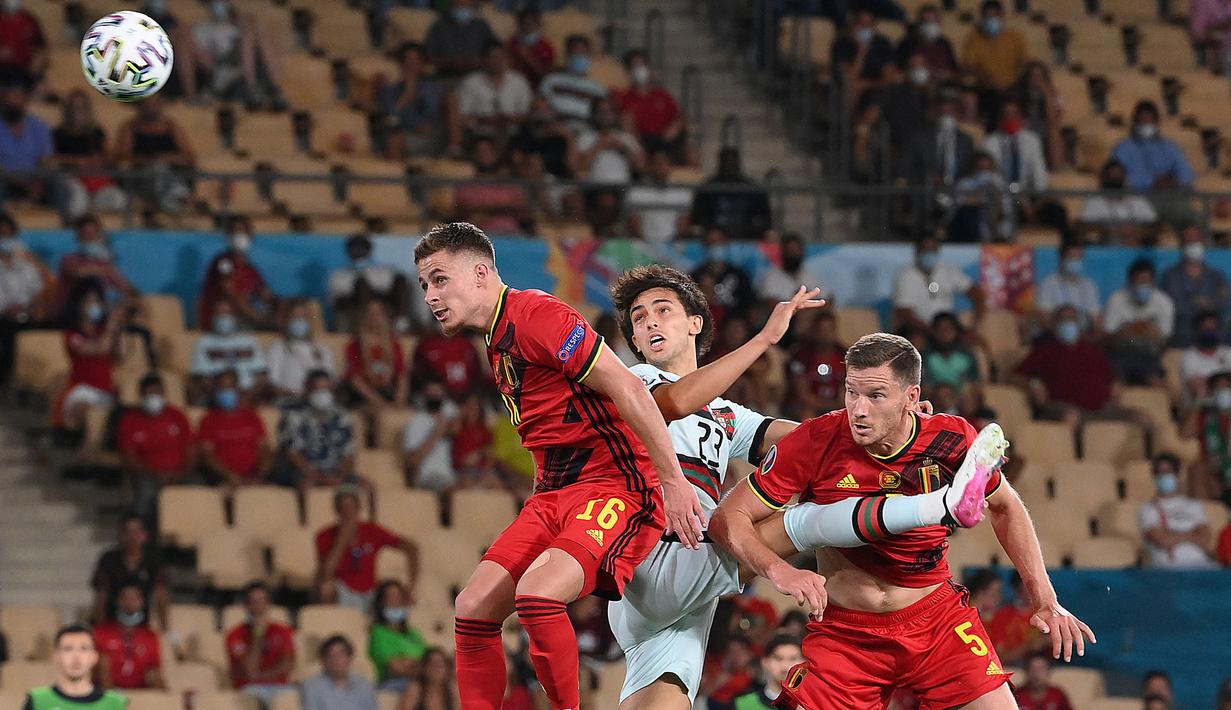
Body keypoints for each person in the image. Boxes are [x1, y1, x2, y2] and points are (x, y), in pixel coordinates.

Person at [606, 266, 1004, 709]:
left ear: (695, 324)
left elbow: (816, 440)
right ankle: (939, 507)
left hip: (681, 589)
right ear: (635, 343)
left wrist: (903, 423)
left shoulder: (724, 414)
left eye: (663, 310)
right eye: (639, 319)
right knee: (802, 521)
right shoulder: (631, 384)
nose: (650, 322)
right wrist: (764, 340)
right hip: (654, 560)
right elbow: (678, 401)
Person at [710, 332, 1096, 710]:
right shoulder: (816, 440)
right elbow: (728, 517)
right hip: (848, 634)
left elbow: (1006, 507)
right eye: (851, 392)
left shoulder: (950, 439)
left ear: (911, 398)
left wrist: (1045, 599)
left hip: (937, 621)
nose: (859, 410)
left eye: (876, 396)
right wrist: (780, 571)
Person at [413, 222, 706, 709]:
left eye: (440, 279)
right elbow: (549, 433)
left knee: (538, 597)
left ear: (482, 273)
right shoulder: (496, 337)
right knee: (472, 608)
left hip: (618, 483)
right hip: (554, 495)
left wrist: (673, 481)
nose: (430, 295)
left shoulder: (538, 315)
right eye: (425, 285)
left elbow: (629, 389)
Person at [316, 486, 418, 611]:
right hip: (344, 590)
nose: (348, 513)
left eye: (351, 508)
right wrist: (342, 539)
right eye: (343, 509)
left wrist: (411, 586)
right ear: (337, 511)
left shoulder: (372, 530)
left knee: (395, 594)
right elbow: (327, 572)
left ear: (358, 509)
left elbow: (412, 549)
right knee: (327, 588)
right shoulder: (324, 535)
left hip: (371, 590)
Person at [1014, 305, 1116, 425]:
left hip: (1101, 409)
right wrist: (1033, 384)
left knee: (1140, 418)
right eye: (1064, 319)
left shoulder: (1092, 351)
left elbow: (1112, 377)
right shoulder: (1045, 351)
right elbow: (1015, 376)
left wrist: (1116, 384)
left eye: (1072, 320)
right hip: (1062, 408)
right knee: (1071, 417)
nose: (1069, 324)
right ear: (1055, 324)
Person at [117, 373, 195, 520]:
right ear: (141, 395)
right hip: (148, 475)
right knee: (146, 493)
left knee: (199, 490)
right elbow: (130, 457)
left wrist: (182, 472)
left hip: (181, 473)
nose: (153, 397)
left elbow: (191, 450)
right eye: (149, 394)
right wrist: (156, 474)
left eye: (157, 393)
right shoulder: (130, 421)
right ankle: (143, 533)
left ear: (164, 393)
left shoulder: (177, 416)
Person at [186, 0, 286, 109]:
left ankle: (274, 89)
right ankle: (253, 89)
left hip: (248, 59)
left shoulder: (240, 19)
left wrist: (241, 20)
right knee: (248, 36)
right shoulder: (204, 27)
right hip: (227, 64)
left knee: (259, 35)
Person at [275, 370, 360, 491]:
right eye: (317, 389)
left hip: (334, 471)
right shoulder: (294, 416)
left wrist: (340, 477)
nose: (322, 394)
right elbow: (292, 454)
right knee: (305, 486)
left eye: (326, 389)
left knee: (367, 486)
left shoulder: (342, 417)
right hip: (303, 473)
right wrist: (318, 477)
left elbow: (349, 454)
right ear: (308, 389)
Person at [112, 94, 195, 215]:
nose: (150, 108)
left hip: (169, 174)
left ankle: (173, 199)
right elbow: (123, 158)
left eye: (154, 104)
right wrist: (148, 161)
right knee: (158, 170)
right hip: (142, 178)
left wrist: (167, 158)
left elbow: (189, 158)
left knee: (161, 170)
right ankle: (177, 198)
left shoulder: (172, 128)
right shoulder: (130, 128)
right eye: (147, 104)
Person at [59, 286, 127, 431]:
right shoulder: (73, 335)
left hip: (106, 392)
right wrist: (110, 326)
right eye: (89, 302)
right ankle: (87, 450)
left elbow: (121, 356)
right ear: (79, 306)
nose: (94, 305)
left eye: (97, 301)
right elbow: (99, 349)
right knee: (94, 414)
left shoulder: (103, 332)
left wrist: (118, 330)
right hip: (82, 391)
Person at [53, 89, 127, 220]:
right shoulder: (58, 134)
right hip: (73, 180)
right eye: (74, 108)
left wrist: (100, 161)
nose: (78, 112)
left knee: (119, 199)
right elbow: (51, 159)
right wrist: (76, 161)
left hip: (97, 181)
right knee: (76, 197)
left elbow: (107, 156)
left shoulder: (96, 133)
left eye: (82, 108)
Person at [196, 369, 272, 493]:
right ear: (216, 391)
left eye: (230, 387)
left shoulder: (251, 416)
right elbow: (207, 455)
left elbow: (264, 449)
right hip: (223, 478)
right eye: (222, 388)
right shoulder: (208, 420)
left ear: (237, 389)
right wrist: (230, 476)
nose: (227, 392)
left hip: (254, 476)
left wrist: (258, 476)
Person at [198, 215, 278, 332]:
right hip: (220, 321)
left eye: (244, 232)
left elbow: (265, 293)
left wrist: (277, 309)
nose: (240, 236)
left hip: (243, 320)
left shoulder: (250, 270)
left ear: (251, 237)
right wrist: (255, 315)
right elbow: (231, 291)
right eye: (236, 232)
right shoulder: (223, 262)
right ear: (228, 237)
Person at [91, 513, 168, 631]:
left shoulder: (153, 561)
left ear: (144, 535)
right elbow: (101, 595)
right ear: (121, 535)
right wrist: (98, 626)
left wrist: (165, 626)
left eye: (137, 532)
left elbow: (160, 594)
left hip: (142, 626)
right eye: (128, 532)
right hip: (111, 625)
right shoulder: (108, 560)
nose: (132, 537)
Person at [1139, 453, 1218, 569]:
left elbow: (1204, 539)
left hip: (1202, 565)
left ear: (1176, 474)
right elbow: (1163, 541)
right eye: (1160, 473)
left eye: (1168, 472)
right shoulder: (1148, 509)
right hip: (1170, 568)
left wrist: (1172, 534)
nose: (1164, 476)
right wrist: (1191, 534)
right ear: (1154, 476)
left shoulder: (1194, 505)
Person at [378, 42, 455, 159]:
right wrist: (407, 94)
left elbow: (445, 114)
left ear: (422, 64)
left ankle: (455, 149)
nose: (411, 65)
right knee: (393, 141)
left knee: (451, 100)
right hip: (410, 136)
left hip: (436, 134)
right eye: (407, 61)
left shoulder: (435, 88)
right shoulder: (389, 92)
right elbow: (390, 120)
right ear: (400, 64)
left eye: (415, 61)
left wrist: (433, 127)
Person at [0, 213, 52, 386]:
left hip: (24, 314)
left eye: (7, 235)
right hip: (4, 317)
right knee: (8, 335)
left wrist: (36, 308)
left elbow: (37, 291)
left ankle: (33, 382)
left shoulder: (26, 266)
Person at [22, 625, 127, 710]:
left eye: (84, 649)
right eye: (68, 649)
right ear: (55, 657)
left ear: (94, 657)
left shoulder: (115, 704)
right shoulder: (37, 700)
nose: (76, 657)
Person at [1104, 259, 1174, 385]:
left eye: (1146, 281)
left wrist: (1151, 333)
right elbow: (1108, 337)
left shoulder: (1164, 302)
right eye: (1139, 281)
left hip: (1149, 355)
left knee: (1157, 381)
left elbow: (1165, 341)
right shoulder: (1117, 299)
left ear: (1153, 282)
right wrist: (1127, 332)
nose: (1143, 285)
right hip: (1121, 354)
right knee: (1113, 382)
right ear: (1130, 282)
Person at [226, 581, 296, 707]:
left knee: (294, 696)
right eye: (254, 602)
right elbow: (249, 668)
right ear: (246, 606)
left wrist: (260, 676)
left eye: (262, 601)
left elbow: (287, 665)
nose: (259, 607)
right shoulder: (235, 635)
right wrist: (258, 633)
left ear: (269, 604)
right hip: (249, 688)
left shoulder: (282, 630)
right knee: (255, 698)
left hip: (279, 687)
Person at [892, 235, 984, 330]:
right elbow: (903, 312)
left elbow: (976, 294)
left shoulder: (948, 270)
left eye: (933, 249)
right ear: (917, 251)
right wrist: (931, 332)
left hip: (946, 329)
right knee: (917, 340)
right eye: (926, 249)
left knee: (975, 341)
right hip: (919, 330)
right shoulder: (905, 276)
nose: (929, 253)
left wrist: (974, 327)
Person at [55, 215, 138, 318]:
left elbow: (122, 284)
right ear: (78, 236)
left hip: (103, 312)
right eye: (86, 234)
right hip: (75, 314)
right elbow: (78, 272)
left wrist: (134, 294)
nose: (90, 238)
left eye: (93, 234)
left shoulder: (105, 264)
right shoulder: (70, 260)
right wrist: (102, 270)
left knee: (131, 304)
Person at [1161, 226, 1231, 348]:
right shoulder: (1171, 276)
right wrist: (1204, 305)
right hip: (1184, 334)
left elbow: (1225, 303)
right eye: (1189, 241)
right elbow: (1174, 305)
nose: (1194, 245)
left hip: (1215, 332)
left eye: (1196, 240)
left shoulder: (1217, 276)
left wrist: (1202, 303)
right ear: (1182, 244)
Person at [328, 233, 412, 334]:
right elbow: (336, 298)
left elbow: (388, 288)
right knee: (361, 283)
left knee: (400, 280)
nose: (358, 251)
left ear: (369, 250)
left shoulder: (381, 271)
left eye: (362, 247)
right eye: (354, 248)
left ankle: (401, 321)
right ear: (348, 251)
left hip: (381, 305)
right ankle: (364, 324)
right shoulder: (339, 274)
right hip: (353, 309)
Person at [614, 49, 687, 161]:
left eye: (643, 65)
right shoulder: (623, 96)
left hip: (664, 140)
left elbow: (680, 115)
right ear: (628, 71)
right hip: (641, 142)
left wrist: (675, 126)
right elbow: (623, 122)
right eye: (635, 66)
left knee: (692, 153)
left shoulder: (662, 95)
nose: (640, 69)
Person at [190, 300, 269, 402]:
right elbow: (202, 378)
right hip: (216, 394)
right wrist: (220, 395)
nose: (224, 318)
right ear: (213, 317)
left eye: (227, 314)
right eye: (220, 314)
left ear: (235, 317)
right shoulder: (204, 342)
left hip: (248, 393)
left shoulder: (250, 341)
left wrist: (247, 396)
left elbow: (261, 377)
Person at [0, 81, 59, 215]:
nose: (12, 103)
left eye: (16, 99)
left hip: (35, 180)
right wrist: (25, 185)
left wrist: (37, 183)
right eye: (8, 99)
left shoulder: (38, 127)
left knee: (59, 183)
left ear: (24, 101)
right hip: (7, 180)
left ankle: (66, 226)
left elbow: (46, 160)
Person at [689, 147, 772, 242]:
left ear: (738, 163)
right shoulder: (708, 188)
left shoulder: (752, 188)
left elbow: (765, 218)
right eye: (726, 162)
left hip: (747, 238)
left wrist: (751, 231)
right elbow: (698, 218)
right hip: (713, 240)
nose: (729, 166)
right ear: (720, 163)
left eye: (732, 162)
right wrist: (711, 230)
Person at [1111, 100, 1195, 193]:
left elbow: (1187, 174)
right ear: (1135, 122)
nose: (1145, 125)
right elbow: (1118, 176)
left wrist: (1172, 182)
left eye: (1149, 121)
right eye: (1142, 122)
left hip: (1168, 195)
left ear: (1156, 123)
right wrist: (1152, 183)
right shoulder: (1124, 148)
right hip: (1137, 197)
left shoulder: (1169, 147)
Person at [454, 136, 532, 235]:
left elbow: (523, 210)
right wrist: (504, 208)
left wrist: (485, 210)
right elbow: (465, 208)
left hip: (512, 234)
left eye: (488, 151)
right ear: (473, 155)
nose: (484, 155)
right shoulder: (467, 185)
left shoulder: (509, 184)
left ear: (496, 154)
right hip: (479, 237)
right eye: (480, 151)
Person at [457, 41, 533, 143]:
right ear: (483, 59)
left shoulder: (519, 80)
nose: (498, 62)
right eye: (493, 58)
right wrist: (483, 120)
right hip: (481, 135)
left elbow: (527, 113)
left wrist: (509, 119)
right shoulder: (470, 82)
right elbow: (461, 115)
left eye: (501, 57)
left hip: (514, 135)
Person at [93, 583, 165, 690]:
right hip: (106, 690)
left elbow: (154, 670)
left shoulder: (150, 636)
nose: (130, 602)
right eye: (125, 597)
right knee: (103, 661)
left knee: (155, 676)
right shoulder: (101, 632)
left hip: (140, 692)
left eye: (135, 598)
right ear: (118, 601)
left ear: (142, 602)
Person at [345, 300, 409, 415]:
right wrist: (379, 402)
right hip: (366, 397)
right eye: (370, 313)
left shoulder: (394, 344)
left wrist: (399, 402)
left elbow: (401, 375)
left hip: (389, 392)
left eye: (378, 313)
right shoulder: (355, 346)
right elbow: (355, 380)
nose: (374, 317)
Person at [961, 1, 1028, 109]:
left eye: (995, 16)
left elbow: (1025, 63)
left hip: (1013, 86)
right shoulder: (974, 39)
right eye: (987, 16)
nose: (991, 20)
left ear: (1002, 16)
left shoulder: (1015, 37)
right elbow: (969, 66)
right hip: (987, 88)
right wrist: (988, 79)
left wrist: (1015, 83)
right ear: (982, 17)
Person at [1076, 159, 1159, 245]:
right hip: (1107, 246)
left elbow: (1155, 225)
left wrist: (1136, 231)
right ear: (1103, 178)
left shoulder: (1137, 199)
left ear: (1125, 177)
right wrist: (1111, 230)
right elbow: (1082, 226)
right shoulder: (1094, 202)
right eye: (1111, 176)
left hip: (1137, 246)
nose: (1115, 178)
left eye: (1118, 175)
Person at [267, 300, 336, 402]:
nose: (300, 321)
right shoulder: (278, 347)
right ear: (287, 321)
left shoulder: (322, 349)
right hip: (291, 401)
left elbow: (332, 381)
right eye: (295, 317)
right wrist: (297, 394)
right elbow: (272, 384)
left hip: (320, 401)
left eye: (303, 317)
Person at [785, 310, 846, 419]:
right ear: (814, 331)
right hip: (806, 406)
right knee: (808, 416)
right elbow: (802, 393)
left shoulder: (845, 355)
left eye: (829, 329)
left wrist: (840, 406)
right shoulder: (801, 356)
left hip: (838, 406)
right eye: (822, 330)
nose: (826, 334)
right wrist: (829, 406)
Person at [370, 580, 429, 692]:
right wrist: (419, 664)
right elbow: (397, 668)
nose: (396, 601)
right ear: (381, 603)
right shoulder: (378, 633)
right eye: (390, 597)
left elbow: (429, 659)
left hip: (421, 680)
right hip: (395, 683)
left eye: (399, 597)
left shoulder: (413, 633)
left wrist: (408, 661)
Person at [983, 97, 1049, 198]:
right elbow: (989, 177)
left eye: (1014, 114)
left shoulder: (1032, 140)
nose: (1010, 118)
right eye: (1006, 115)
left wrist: (1037, 197)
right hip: (1001, 196)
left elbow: (1039, 174)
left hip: (1027, 195)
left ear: (1021, 117)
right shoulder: (990, 143)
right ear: (1000, 118)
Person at [539, 33, 608, 128]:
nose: (580, 56)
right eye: (576, 52)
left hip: (587, 128)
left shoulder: (598, 89)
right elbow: (541, 105)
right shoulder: (552, 80)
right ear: (567, 55)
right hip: (556, 125)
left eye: (583, 52)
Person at [831, 8, 896, 106]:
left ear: (874, 25)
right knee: (852, 88)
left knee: (882, 94)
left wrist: (869, 84)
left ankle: (863, 122)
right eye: (861, 24)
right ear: (853, 25)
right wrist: (861, 51)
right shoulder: (841, 44)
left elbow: (889, 75)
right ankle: (849, 121)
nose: (865, 28)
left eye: (868, 24)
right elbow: (850, 76)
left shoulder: (883, 43)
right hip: (852, 85)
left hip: (875, 84)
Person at [626, 148, 693, 243]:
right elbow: (634, 224)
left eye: (664, 163)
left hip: (672, 246)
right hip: (643, 245)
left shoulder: (682, 192)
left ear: (671, 166)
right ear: (649, 166)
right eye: (656, 163)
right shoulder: (636, 191)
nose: (659, 167)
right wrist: (647, 247)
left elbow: (683, 225)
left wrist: (670, 247)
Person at [424, 0, 497, 80]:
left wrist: (477, 62)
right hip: (445, 77)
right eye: (459, 4)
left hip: (479, 78)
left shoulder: (482, 26)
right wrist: (451, 62)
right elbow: (429, 56)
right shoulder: (439, 26)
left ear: (473, 4)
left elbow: (493, 52)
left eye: (466, 4)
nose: (462, 6)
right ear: (451, 3)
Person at [1035, 243, 1101, 331]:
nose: (1076, 261)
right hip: (1055, 334)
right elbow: (1043, 317)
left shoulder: (1089, 285)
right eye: (1072, 257)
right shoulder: (1048, 283)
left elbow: (1095, 317)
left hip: (1083, 335)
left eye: (1079, 258)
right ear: (1062, 259)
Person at [302, 635, 378, 710]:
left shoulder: (365, 686)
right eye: (330, 656)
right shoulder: (312, 687)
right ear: (323, 661)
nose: (336, 660)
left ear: (350, 658)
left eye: (341, 655)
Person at [733, 635, 805, 710]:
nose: (785, 667)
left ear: (804, 663)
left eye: (793, 659)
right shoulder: (744, 704)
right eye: (778, 658)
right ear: (765, 662)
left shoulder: (815, 703)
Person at [756, 233, 830, 305]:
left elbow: (828, 298)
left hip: (810, 314)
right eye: (790, 251)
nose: (793, 255)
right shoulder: (771, 276)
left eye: (796, 251)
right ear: (783, 252)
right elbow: (769, 301)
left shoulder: (810, 275)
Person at [410, 329, 484, 397]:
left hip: (467, 397)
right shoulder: (427, 345)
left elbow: (477, 375)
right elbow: (418, 375)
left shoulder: (467, 344)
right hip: (436, 398)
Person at [895, 5, 958, 80]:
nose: (929, 25)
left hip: (941, 85)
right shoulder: (906, 44)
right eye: (925, 21)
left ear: (939, 22)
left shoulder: (944, 44)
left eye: (933, 20)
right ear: (919, 23)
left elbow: (954, 70)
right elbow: (898, 69)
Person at [922, 312, 979, 395]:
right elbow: (924, 383)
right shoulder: (925, 355)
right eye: (940, 329)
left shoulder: (967, 355)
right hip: (933, 399)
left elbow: (974, 380)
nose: (945, 333)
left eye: (949, 329)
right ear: (933, 332)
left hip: (961, 399)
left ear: (956, 331)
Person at [1180, 313, 1231, 401]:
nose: (1210, 333)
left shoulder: (1228, 352)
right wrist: (1218, 383)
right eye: (1206, 330)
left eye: (1213, 330)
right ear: (1197, 331)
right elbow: (1195, 385)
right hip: (1202, 407)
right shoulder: (1189, 356)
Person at [0, 0, 47, 89]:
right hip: (4, 71)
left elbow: (40, 45)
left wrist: (38, 60)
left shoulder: (28, 19)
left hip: (26, 69)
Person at [397, 648, 461, 710]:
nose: (437, 669)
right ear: (424, 668)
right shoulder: (416, 689)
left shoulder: (451, 690)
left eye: (441, 665)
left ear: (446, 669)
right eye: (433, 664)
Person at [506, 8, 555, 88]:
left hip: (536, 87)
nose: (527, 27)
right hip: (513, 87)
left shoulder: (546, 47)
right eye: (524, 23)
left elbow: (547, 75)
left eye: (531, 23)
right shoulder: (512, 43)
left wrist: (528, 57)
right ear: (519, 25)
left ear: (538, 24)